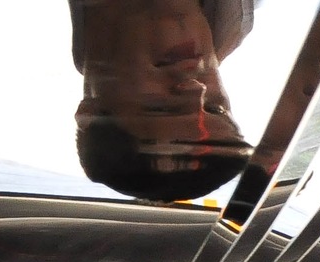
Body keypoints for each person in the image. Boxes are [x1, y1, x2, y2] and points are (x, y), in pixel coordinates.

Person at [72, 0, 256, 203]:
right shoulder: (230, 23)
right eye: (215, 109)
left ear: (90, 113)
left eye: (162, 109)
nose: (196, 88)